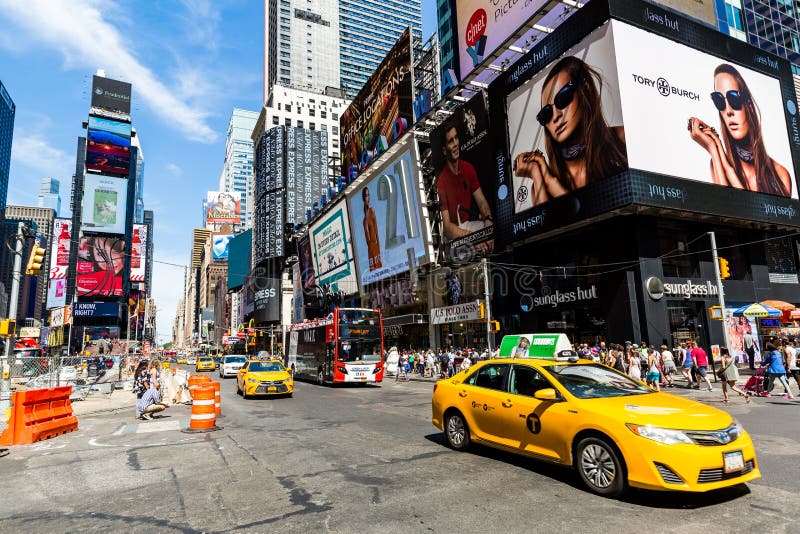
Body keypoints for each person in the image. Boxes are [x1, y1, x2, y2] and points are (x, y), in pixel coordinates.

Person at [513, 56, 627, 208]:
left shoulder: (622, 139)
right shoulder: (540, 184)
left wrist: (548, 180)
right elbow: (550, 228)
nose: (555, 117)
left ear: (584, 89)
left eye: (563, 98)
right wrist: (539, 174)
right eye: (545, 114)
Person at [689, 63, 792, 197]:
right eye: (719, 100)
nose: (728, 111)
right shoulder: (717, 162)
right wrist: (714, 149)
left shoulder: (780, 175)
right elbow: (728, 208)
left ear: (748, 105)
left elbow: (749, 214)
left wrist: (727, 168)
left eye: (733, 98)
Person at [436, 124, 494, 250]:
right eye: (451, 141)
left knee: (491, 228)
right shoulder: (441, 181)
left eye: (456, 138)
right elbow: (447, 228)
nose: (456, 143)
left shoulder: (468, 168)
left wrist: (488, 222)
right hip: (454, 234)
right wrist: (472, 238)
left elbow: (482, 202)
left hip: (467, 226)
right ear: (445, 150)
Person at [361, 187, 382, 271]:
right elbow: (367, 240)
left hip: (375, 247)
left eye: (368, 195)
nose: (368, 197)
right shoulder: (364, 220)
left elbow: (376, 230)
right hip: (371, 250)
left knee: (379, 268)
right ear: (363, 198)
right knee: (374, 271)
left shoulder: (372, 211)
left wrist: (378, 247)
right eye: (366, 195)